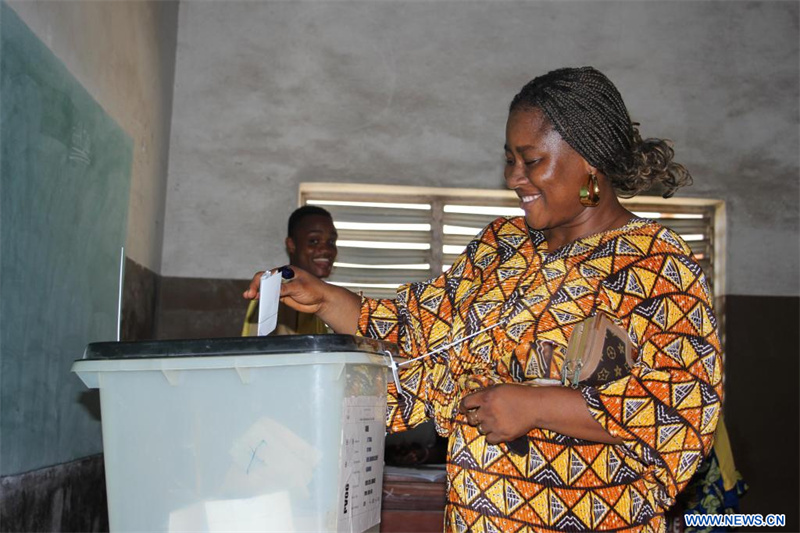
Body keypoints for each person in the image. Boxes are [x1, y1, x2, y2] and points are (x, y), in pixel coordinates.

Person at [244, 67, 723, 532]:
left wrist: (537, 407)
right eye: (509, 160)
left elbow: (684, 407)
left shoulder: (656, 264)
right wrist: (323, 298)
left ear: (590, 159)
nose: (514, 177)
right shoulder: (500, 246)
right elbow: (415, 330)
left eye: (531, 161)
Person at [241, 205, 337, 336]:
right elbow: (273, 347)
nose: (326, 250)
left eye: (331, 242)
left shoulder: (314, 292)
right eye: (314, 241)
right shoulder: (282, 290)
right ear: (291, 245)